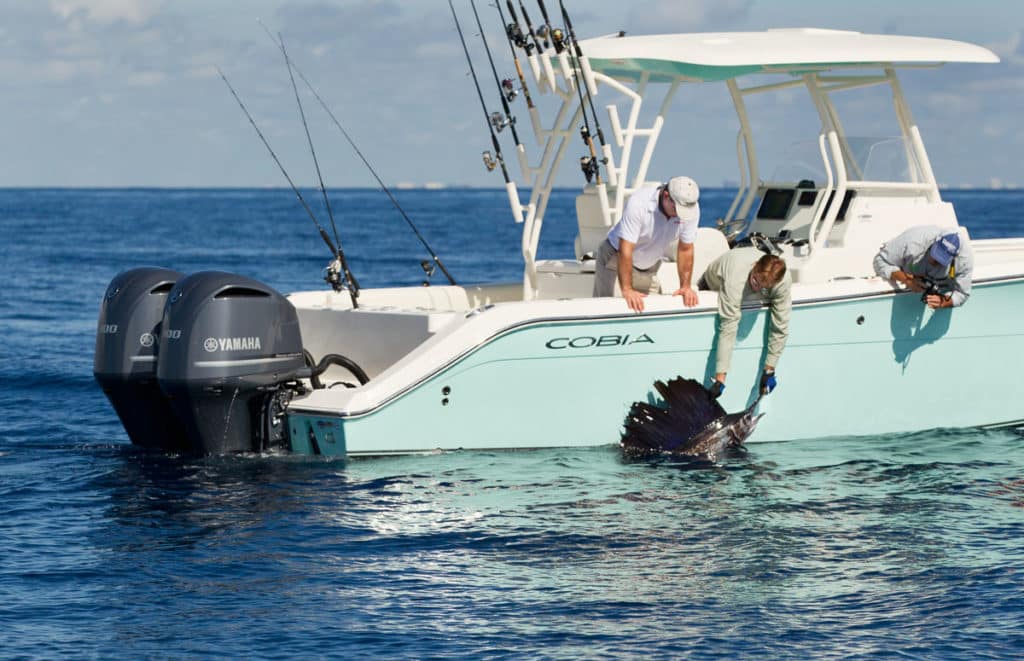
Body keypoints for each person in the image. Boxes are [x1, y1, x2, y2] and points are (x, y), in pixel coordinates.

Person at [593, 176, 701, 312]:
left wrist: (685, 286)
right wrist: (627, 289)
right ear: (666, 196)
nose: (679, 215)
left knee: (652, 310)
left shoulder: (690, 208)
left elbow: (685, 249)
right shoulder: (639, 203)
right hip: (615, 258)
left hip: (648, 267)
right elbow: (625, 249)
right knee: (607, 310)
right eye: (677, 209)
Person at [699, 247, 791, 398]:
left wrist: (770, 370)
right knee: (729, 322)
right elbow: (729, 326)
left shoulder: (782, 281)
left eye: (765, 288)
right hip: (711, 284)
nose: (758, 288)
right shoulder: (736, 275)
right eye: (757, 281)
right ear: (755, 266)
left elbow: (780, 326)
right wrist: (720, 379)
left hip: (747, 292)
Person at [873, 225, 973, 309]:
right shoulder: (912, 241)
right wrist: (907, 280)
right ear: (934, 242)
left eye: (941, 260)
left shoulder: (964, 261)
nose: (935, 262)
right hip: (908, 274)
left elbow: (962, 294)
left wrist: (943, 302)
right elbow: (879, 262)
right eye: (935, 254)